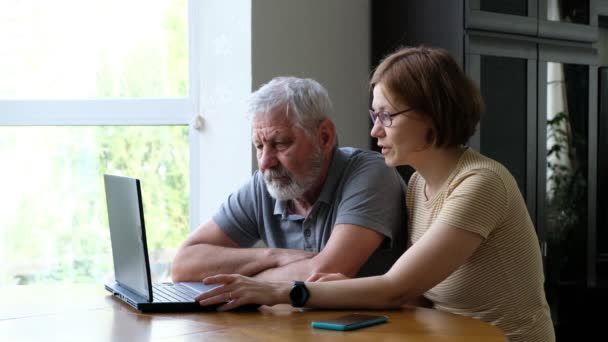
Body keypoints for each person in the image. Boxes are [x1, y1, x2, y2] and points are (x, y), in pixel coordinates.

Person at [195, 47, 555, 342]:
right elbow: (417, 293)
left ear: (431, 115)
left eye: (386, 116)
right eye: (374, 115)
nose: (374, 130)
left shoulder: (481, 184)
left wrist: (286, 291)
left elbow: (398, 289)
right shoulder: (417, 186)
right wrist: (346, 289)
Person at [171, 76, 407, 283]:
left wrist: (245, 283)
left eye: (280, 143)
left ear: (324, 137)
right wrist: (273, 256)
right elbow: (183, 264)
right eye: (259, 145)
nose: (265, 162)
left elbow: (327, 272)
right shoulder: (264, 186)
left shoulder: (370, 174)